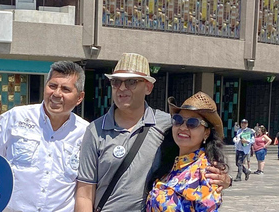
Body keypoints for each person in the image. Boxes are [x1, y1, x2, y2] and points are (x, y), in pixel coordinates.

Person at [75, 53, 231, 212]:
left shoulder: (168, 124)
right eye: (116, 82)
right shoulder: (95, 130)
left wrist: (224, 180)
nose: (122, 88)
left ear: (148, 87)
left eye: (131, 82)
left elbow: (196, 162)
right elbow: (84, 194)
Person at [0, 61, 88, 212]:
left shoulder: (86, 133)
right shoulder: (16, 118)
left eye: (65, 89)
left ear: (79, 97)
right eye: (52, 86)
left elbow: (86, 189)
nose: (56, 94)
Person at [146, 92, 227, 211]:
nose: (183, 127)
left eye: (192, 123)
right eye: (178, 120)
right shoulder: (169, 163)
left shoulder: (205, 173)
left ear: (206, 132)